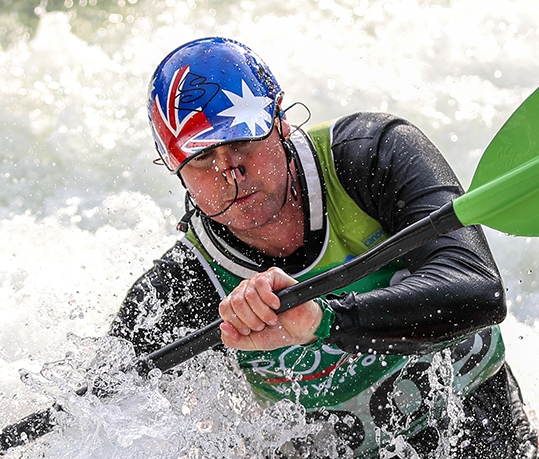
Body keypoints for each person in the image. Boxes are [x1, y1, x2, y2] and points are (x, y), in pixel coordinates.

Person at [109, 37, 538, 458]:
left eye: (241, 142)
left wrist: (324, 320)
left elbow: (479, 290)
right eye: (202, 158)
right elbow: (97, 414)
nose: (230, 172)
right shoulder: (182, 288)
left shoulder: (371, 155)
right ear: (175, 169)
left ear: (281, 123)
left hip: (482, 424)